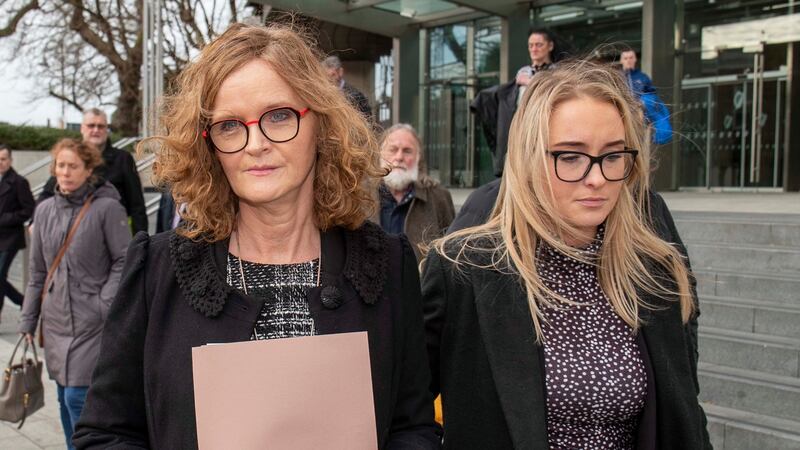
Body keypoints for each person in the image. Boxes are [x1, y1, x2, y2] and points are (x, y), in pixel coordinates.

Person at [73, 23, 441, 450]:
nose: (255, 143)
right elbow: (105, 434)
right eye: (230, 125)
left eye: (279, 116)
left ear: (320, 123)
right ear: (207, 145)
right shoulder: (156, 271)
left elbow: (412, 427)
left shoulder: (388, 265)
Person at [422, 60, 711, 449]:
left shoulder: (653, 268)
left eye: (612, 156)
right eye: (570, 157)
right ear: (528, 159)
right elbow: (405, 412)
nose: (596, 178)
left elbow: (684, 411)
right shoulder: (464, 268)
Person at [18, 138, 131, 450]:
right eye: (60, 165)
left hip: (92, 324)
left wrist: (103, 304)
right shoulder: (43, 211)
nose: (64, 172)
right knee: (62, 398)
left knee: (77, 399)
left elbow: (125, 258)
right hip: (55, 323)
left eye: (72, 166)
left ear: (88, 169)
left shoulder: (107, 208)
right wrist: (28, 321)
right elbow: (38, 271)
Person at [38, 109, 148, 234]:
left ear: (107, 129)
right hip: (75, 233)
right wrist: (34, 222)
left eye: (101, 126)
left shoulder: (123, 159)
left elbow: (137, 204)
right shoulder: (69, 157)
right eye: (91, 125)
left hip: (114, 232)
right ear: (82, 128)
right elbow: (47, 193)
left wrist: (141, 242)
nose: (96, 130)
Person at [472, 29, 558, 177]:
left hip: (545, 130)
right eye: (530, 45)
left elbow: (554, 92)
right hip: (520, 131)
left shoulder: (557, 71)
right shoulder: (523, 71)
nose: (534, 49)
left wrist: (530, 82)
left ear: (550, 46)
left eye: (538, 45)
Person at [372, 124, 454, 260]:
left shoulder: (438, 197)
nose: (399, 157)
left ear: (418, 157)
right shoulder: (361, 195)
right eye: (393, 150)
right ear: (380, 153)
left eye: (407, 151)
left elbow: (450, 250)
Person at [0, 143, 35, 321]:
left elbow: (29, 209)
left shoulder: (19, 182)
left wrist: (5, 219)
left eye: (3, 159)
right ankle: (23, 301)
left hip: (10, 238)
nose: (0, 163)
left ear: (10, 160)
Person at [620, 48, 673, 144]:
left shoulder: (642, 77)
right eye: (626, 58)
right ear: (621, 60)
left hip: (639, 116)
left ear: (635, 59)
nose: (628, 60)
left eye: (631, 58)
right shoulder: (617, 77)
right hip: (622, 115)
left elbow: (652, 96)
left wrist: (642, 102)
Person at [323, 55, 373, 120]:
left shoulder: (356, 95)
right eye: (326, 77)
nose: (329, 80)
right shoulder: (325, 95)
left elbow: (368, 120)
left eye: (332, 75)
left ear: (340, 72)